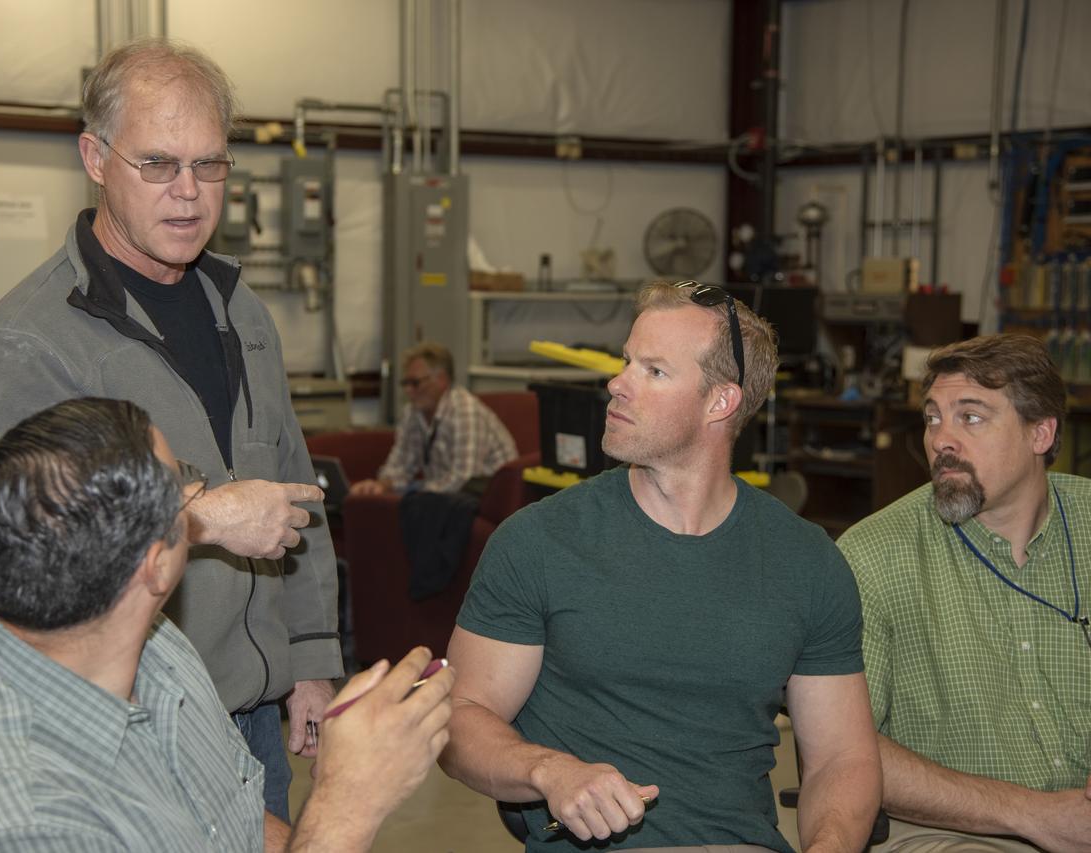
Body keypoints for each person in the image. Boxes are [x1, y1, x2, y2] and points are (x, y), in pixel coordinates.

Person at [0, 39, 338, 820]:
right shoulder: (30, 344)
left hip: (257, 719)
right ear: (95, 157)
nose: (189, 194)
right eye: (158, 164)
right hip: (126, 732)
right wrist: (197, 516)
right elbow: (29, 557)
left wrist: (311, 659)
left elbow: (298, 490)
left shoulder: (243, 310)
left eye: (211, 165)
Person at [0, 398, 454, 852]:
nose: (198, 496)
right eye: (185, 490)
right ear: (155, 565)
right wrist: (349, 801)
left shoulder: (140, 639)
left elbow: (228, 827)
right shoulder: (22, 818)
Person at [439, 281, 882, 853]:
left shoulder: (807, 561)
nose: (616, 384)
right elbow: (461, 718)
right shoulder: (539, 542)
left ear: (720, 402)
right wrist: (548, 771)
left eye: (653, 371)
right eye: (626, 362)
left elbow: (842, 758)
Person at [837, 333, 1091, 853]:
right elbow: (845, 748)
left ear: (1040, 433)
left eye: (969, 417)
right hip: (954, 832)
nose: (941, 440)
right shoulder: (876, 554)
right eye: (933, 418)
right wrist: (1035, 815)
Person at [349, 342, 517, 497]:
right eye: (406, 383)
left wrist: (415, 491)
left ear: (442, 380)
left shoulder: (465, 411)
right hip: (446, 496)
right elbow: (400, 464)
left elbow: (464, 478)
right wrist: (381, 485)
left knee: (416, 507)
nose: (408, 390)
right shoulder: (413, 412)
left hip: (490, 496)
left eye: (415, 383)